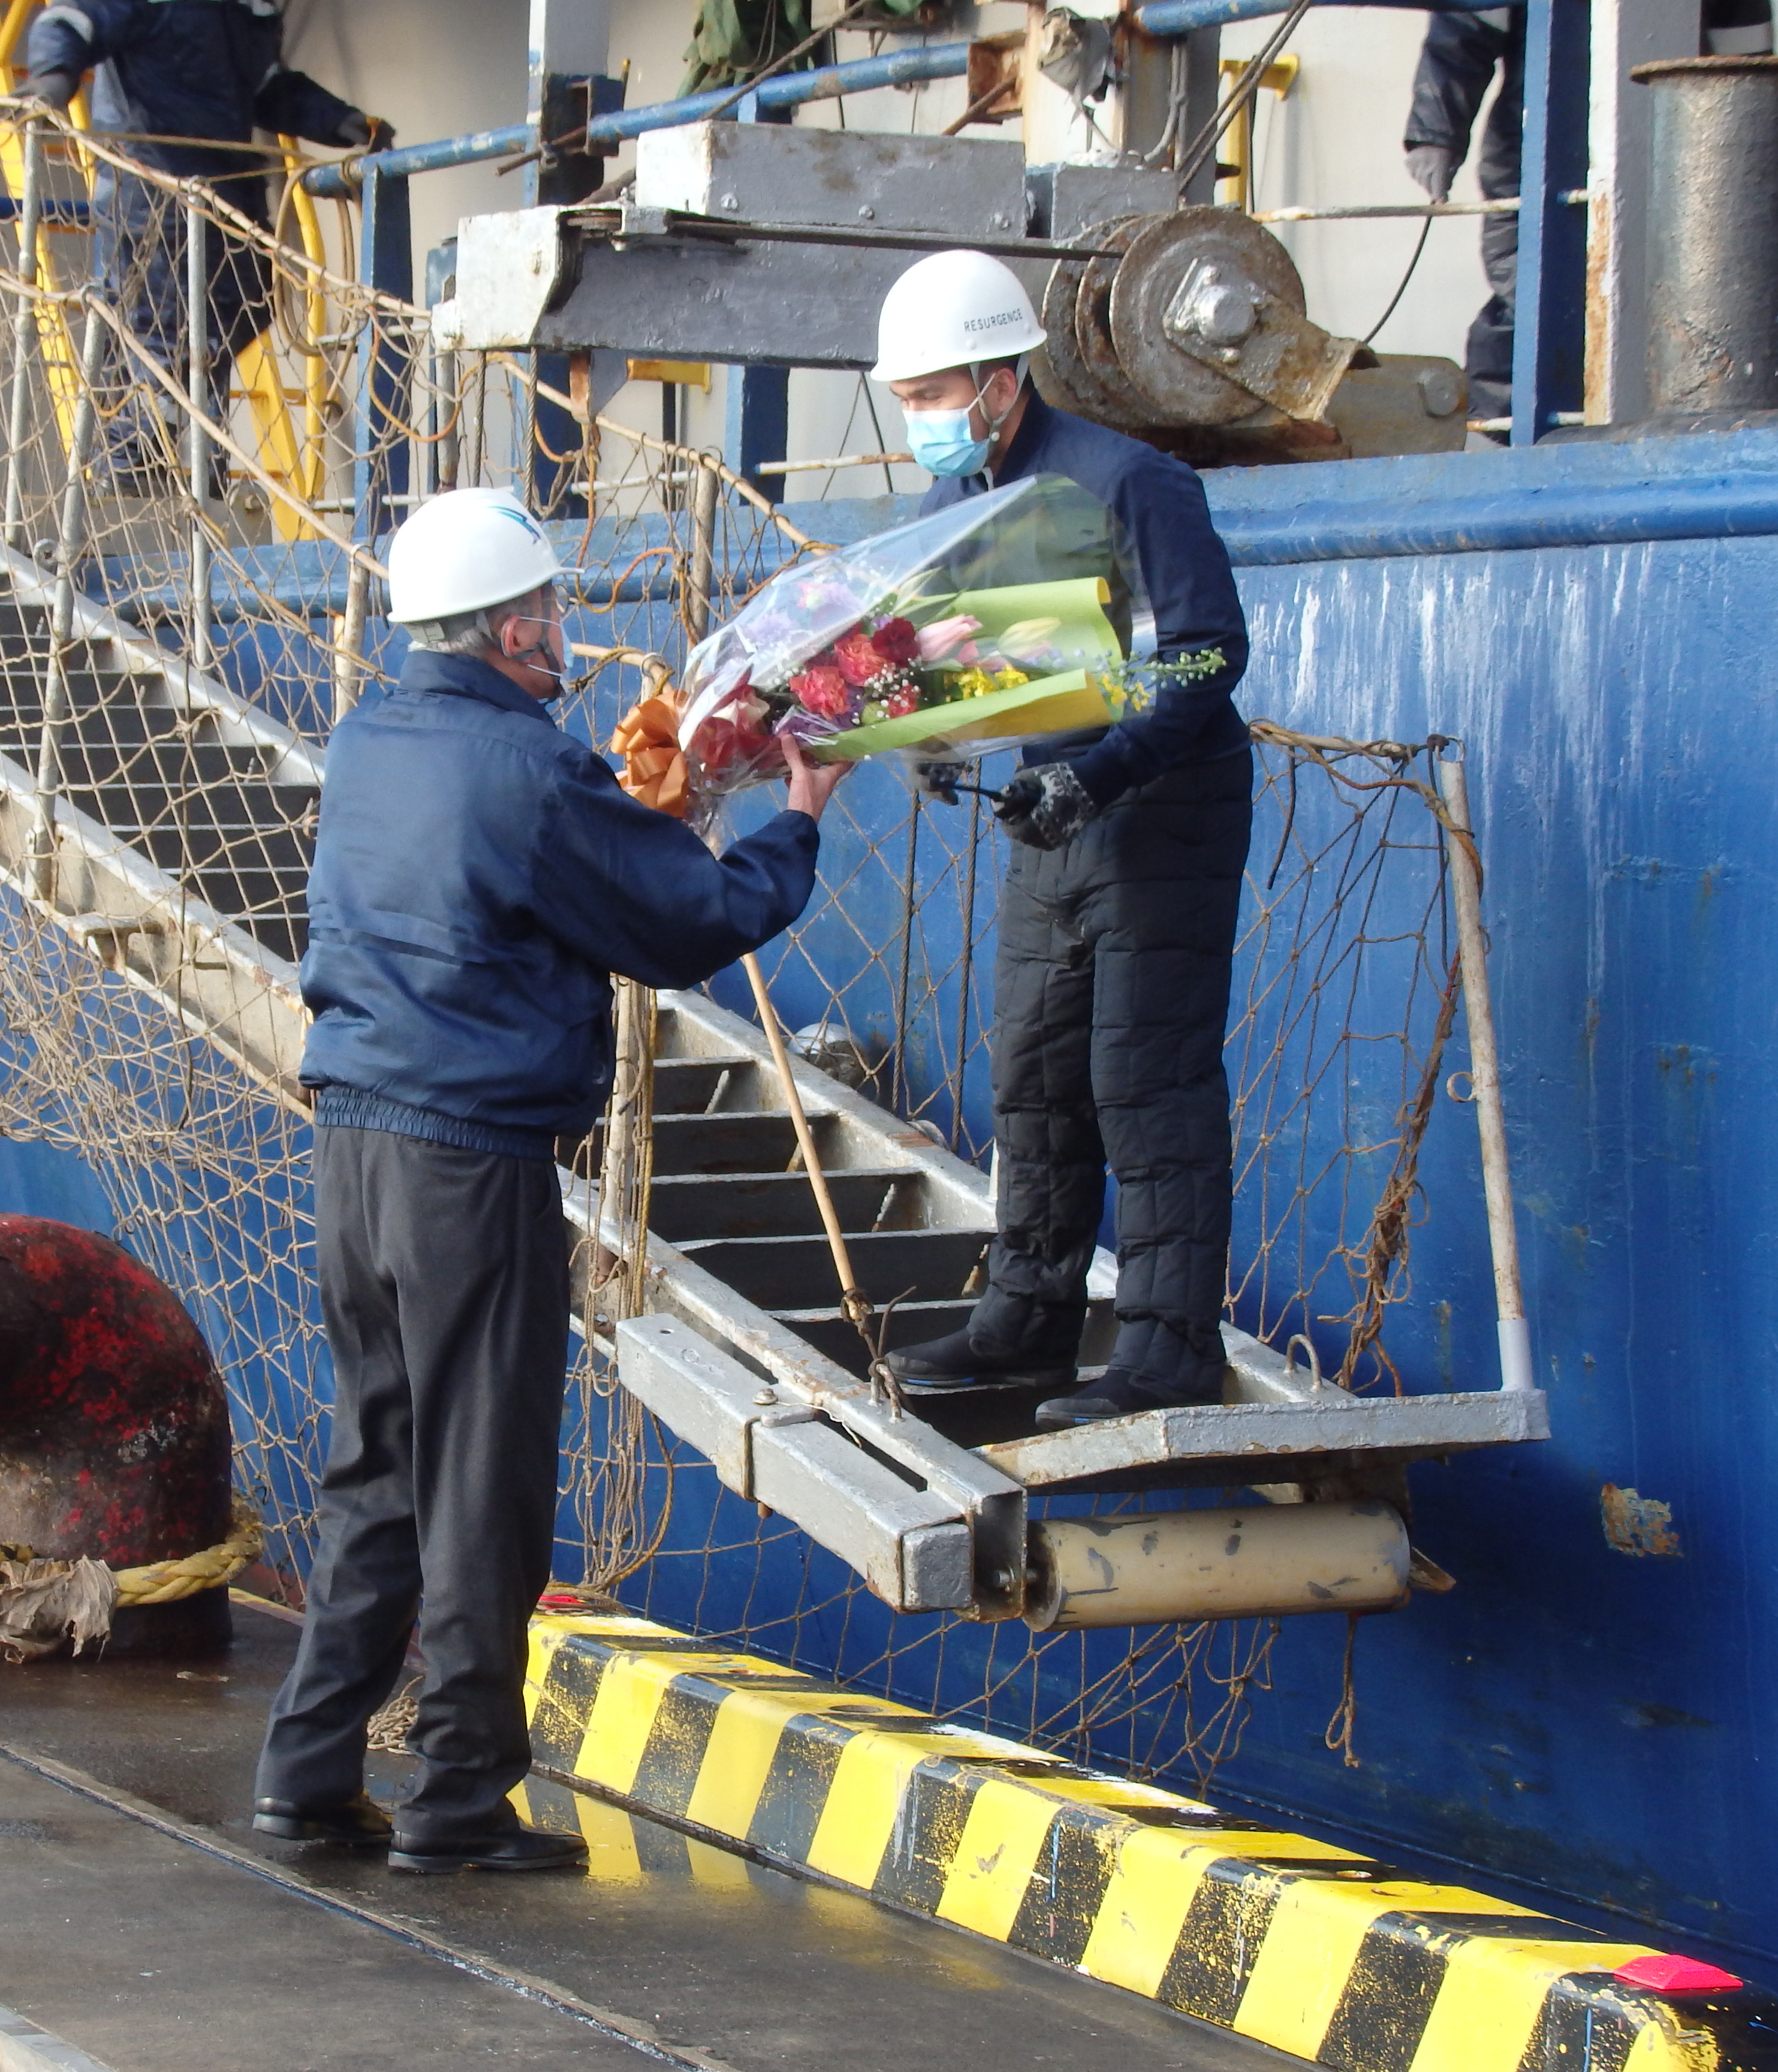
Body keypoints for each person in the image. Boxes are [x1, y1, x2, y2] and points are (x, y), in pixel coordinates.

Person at [252, 489, 846, 1873]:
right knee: (483, 1484)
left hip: (353, 1149)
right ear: (517, 626)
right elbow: (689, 917)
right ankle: (457, 1802)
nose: (567, 634)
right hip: (471, 1163)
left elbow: (532, 872)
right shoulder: (526, 769)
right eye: (556, 612)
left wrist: (640, 812)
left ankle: (305, 1768)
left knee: (378, 1465)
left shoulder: (368, 739)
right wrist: (799, 812)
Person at [870, 251, 1252, 1429]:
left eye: (938, 393)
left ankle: (1168, 1348)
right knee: (1034, 1073)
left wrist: (1103, 772)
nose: (925, 419)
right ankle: (1030, 1316)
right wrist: (933, 739)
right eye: (911, 400)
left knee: (1143, 1074)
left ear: (1001, 377)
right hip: (1051, 806)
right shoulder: (960, 509)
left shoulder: (1128, 483)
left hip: (1162, 805)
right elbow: (965, 665)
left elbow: (1201, 652)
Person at [21, 1, 392, 468]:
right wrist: (53, 78)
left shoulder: (245, 12)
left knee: (248, 301)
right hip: (154, 185)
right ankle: (136, 448)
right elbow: (73, 20)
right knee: (162, 319)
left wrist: (336, 121)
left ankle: (191, 439)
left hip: (228, 192)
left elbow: (265, 85)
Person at [1402, 7, 1522, 426]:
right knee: (1526, 288)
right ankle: (1500, 431)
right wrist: (1436, 132)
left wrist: (1437, 132)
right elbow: (1467, 23)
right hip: (1541, 139)